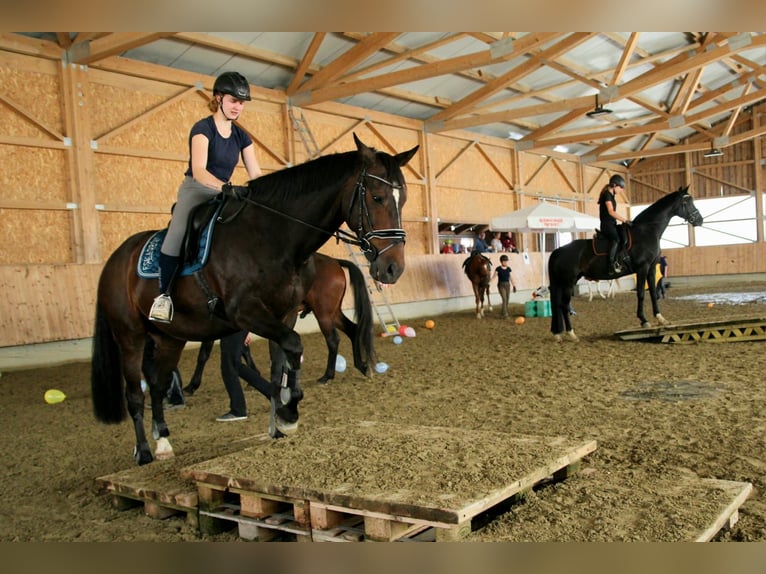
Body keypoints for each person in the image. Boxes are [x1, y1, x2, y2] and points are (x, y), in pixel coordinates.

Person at [149, 71, 263, 322]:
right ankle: (163, 296)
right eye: (233, 100)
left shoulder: (242, 136)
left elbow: (255, 173)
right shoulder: (203, 128)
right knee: (177, 232)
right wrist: (225, 187)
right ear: (219, 98)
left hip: (226, 192)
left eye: (242, 103)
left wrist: (263, 195)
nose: (238, 107)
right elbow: (200, 171)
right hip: (197, 189)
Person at [217, 330, 271, 421]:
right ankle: (272, 392)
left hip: (233, 326)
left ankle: (238, 410)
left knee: (229, 365)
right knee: (234, 364)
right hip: (235, 326)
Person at [598, 174, 630, 274]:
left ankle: (620, 259)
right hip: (606, 225)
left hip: (612, 223)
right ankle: (611, 265)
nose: (621, 190)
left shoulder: (612, 196)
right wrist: (625, 220)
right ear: (614, 185)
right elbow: (611, 212)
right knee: (616, 239)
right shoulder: (607, 195)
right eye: (620, 188)